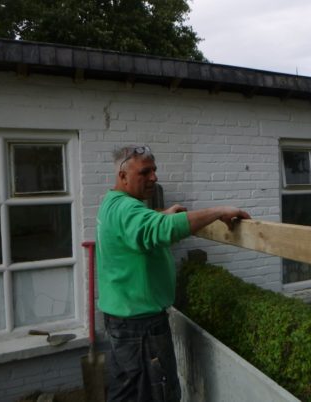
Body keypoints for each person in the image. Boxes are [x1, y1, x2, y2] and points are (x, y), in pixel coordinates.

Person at [96, 145, 250, 402]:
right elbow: (162, 230)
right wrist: (218, 211)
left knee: (127, 393)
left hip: (121, 321)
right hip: (141, 329)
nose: (154, 178)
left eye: (154, 171)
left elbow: (142, 227)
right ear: (123, 177)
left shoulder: (111, 203)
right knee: (160, 394)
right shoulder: (128, 210)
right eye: (145, 172)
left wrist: (162, 214)